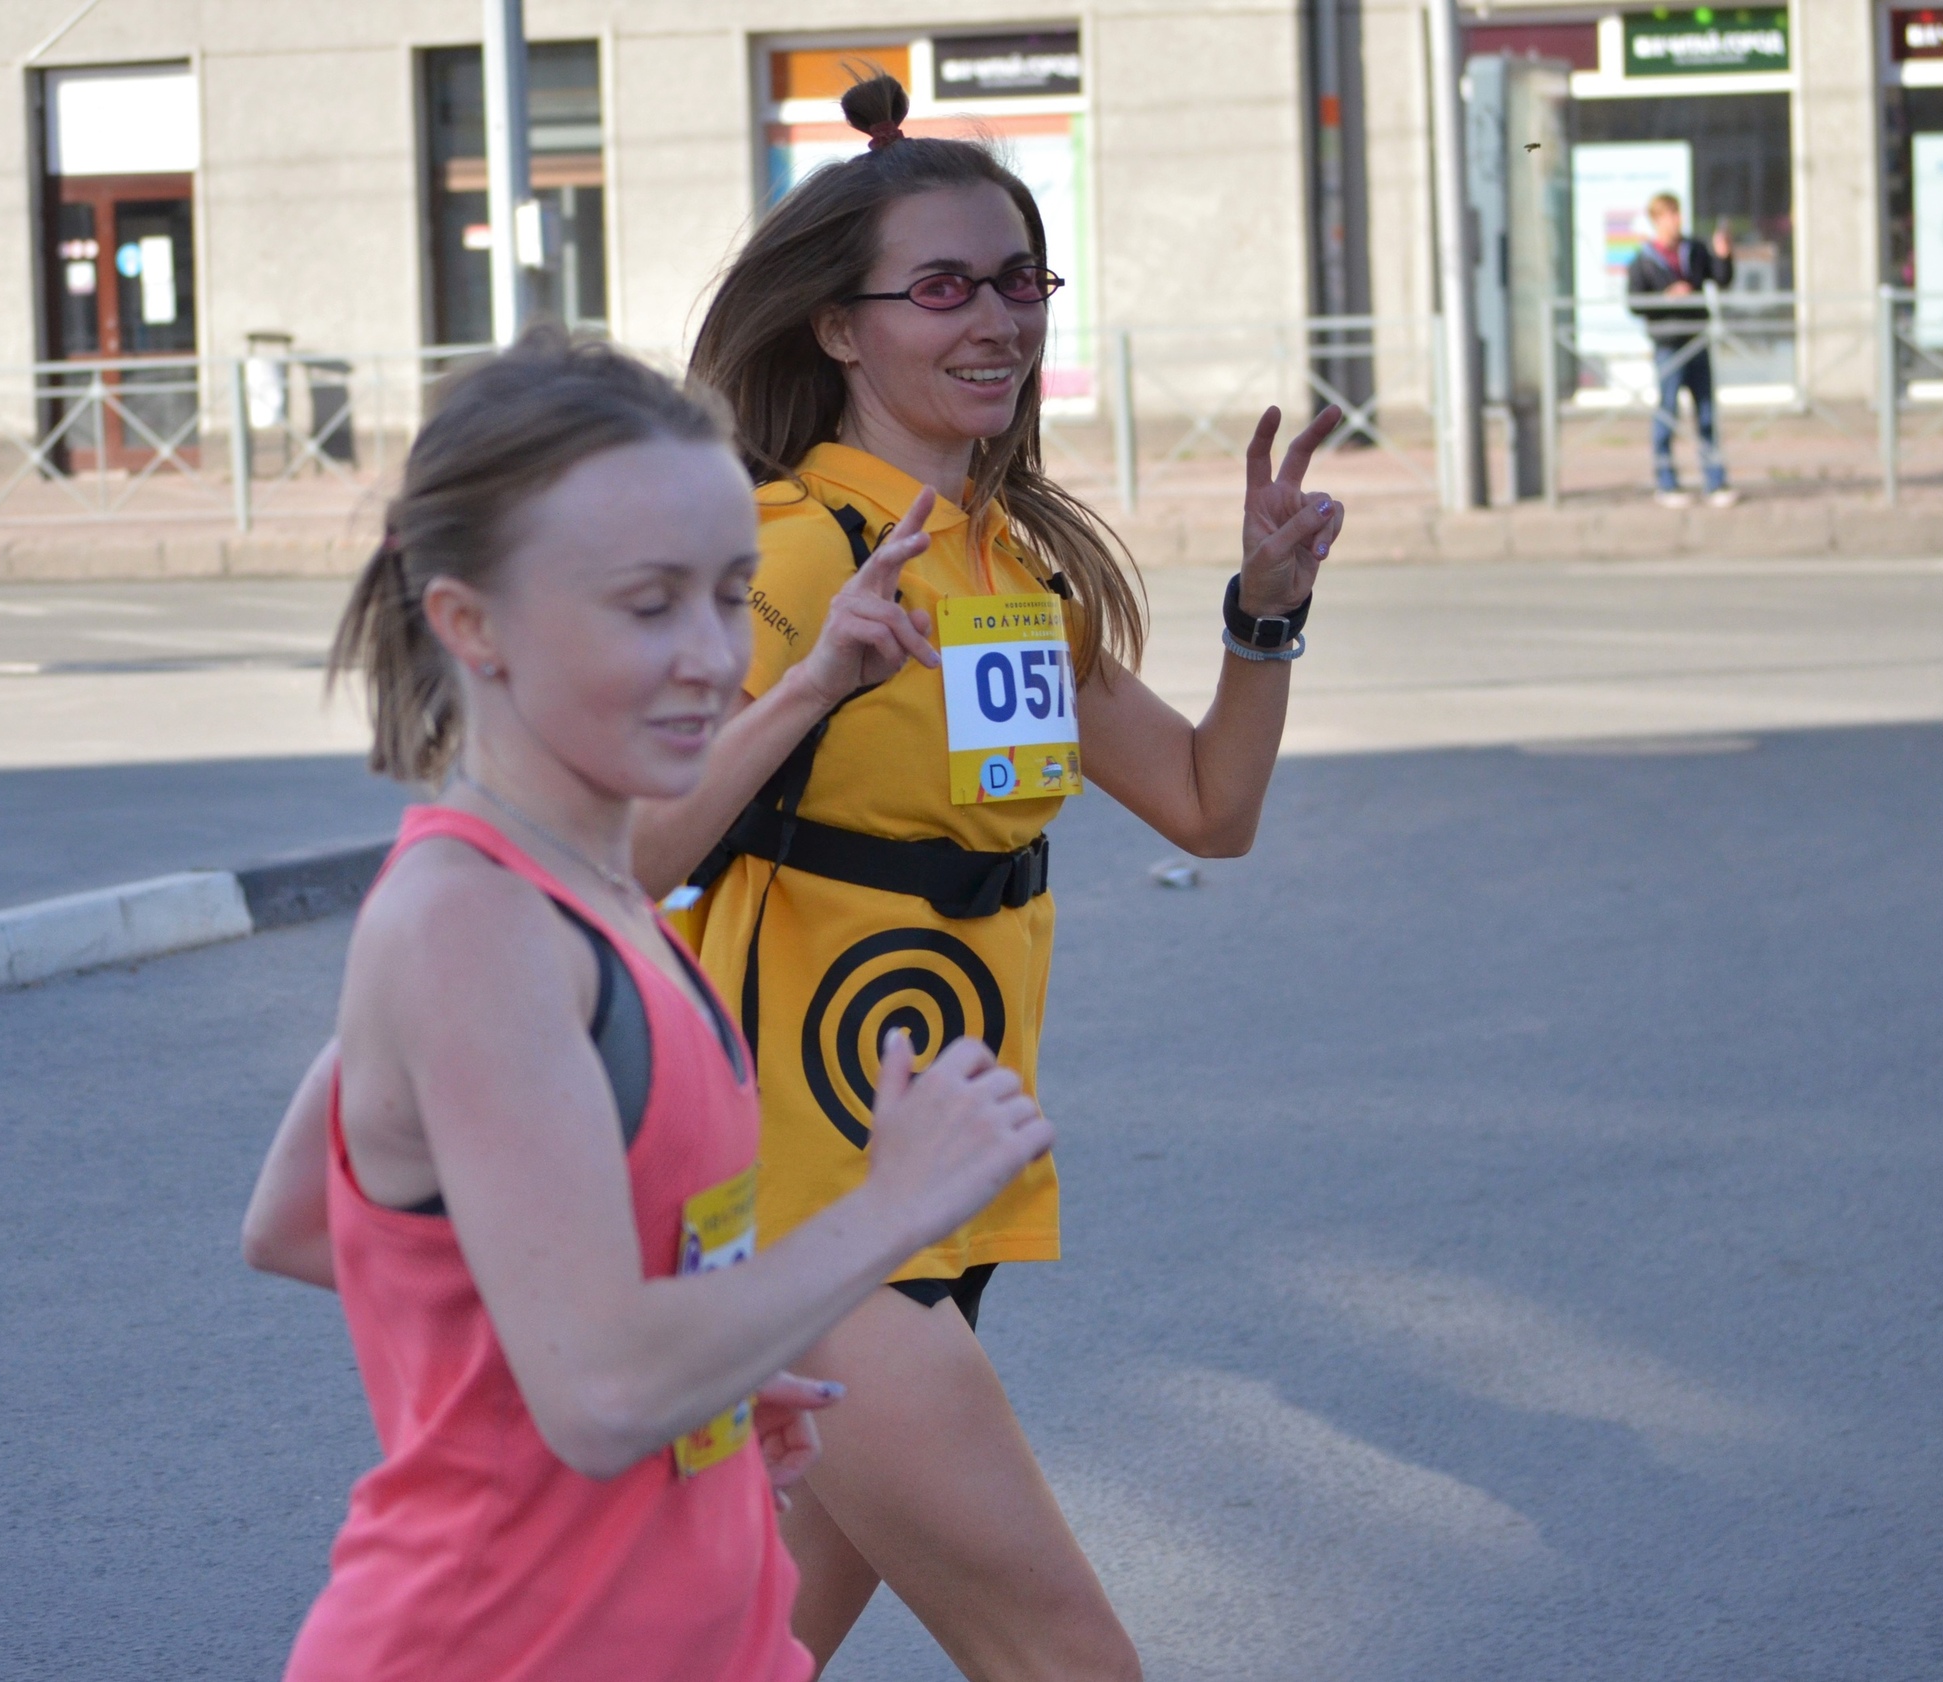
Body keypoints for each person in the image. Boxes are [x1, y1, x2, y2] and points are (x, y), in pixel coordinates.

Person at [624, 71, 1347, 1680]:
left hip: (935, 1173)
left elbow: (1205, 801)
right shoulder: (787, 546)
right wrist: (809, 680)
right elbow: (622, 857)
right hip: (802, 1195)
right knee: (1070, 1656)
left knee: (742, 1653)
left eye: (1022, 280)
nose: (997, 319)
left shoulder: (1000, 562)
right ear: (835, 328)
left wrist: (1265, 608)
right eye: (943, 285)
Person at [240, 332, 1054, 1682]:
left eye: (730, 594)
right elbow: (605, 1384)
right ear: (470, 623)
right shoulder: (474, 922)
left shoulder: (591, 887)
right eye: (646, 603)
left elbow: (303, 1214)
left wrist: (711, 1372)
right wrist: (888, 1208)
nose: (706, 653)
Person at [1626, 191, 1738, 509]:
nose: (1677, 221)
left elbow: (1721, 279)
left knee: (1705, 412)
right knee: (1667, 412)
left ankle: (1715, 480)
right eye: (1670, 216)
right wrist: (1665, 298)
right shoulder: (1643, 261)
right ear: (1657, 221)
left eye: (1678, 214)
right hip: (1667, 345)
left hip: (1696, 339)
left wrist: (1725, 255)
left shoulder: (1695, 249)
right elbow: (1634, 303)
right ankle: (1666, 481)